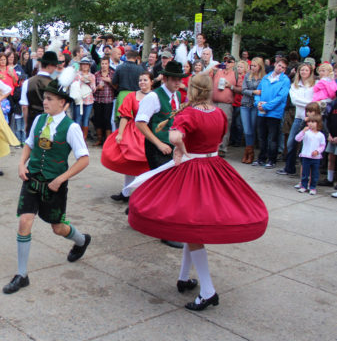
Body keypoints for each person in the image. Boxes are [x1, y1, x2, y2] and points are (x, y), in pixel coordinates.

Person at [127, 74, 268, 311]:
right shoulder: (219, 113)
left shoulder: (189, 113)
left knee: (191, 227)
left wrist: (180, 150)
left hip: (194, 171)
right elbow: (218, 136)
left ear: (192, 90)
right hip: (215, 168)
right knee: (188, 226)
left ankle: (208, 291)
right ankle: (184, 278)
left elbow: (174, 136)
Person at [2, 78, 91, 294]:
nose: (45, 102)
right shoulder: (40, 120)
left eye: (50, 99)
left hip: (54, 185)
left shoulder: (71, 128)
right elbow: (30, 144)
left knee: (58, 228)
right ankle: (22, 274)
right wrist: (22, 164)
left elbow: (84, 159)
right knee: (24, 221)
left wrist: (61, 178)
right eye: (45, 98)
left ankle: (81, 240)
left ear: (63, 103)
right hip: (32, 180)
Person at [135, 60, 184, 248]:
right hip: (157, 146)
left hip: (171, 146)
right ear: (165, 78)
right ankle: (166, 232)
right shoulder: (153, 97)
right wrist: (157, 143)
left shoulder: (177, 95)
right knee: (168, 187)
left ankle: (137, 208)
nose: (177, 82)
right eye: (174, 79)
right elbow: (140, 122)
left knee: (160, 185)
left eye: (179, 79)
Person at [102, 72, 152, 203]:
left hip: (149, 132)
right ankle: (126, 192)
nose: (142, 82)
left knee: (146, 164)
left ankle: (144, 194)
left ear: (151, 81)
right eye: (140, 80)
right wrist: (120, 133)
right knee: (129, 162)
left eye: (145, 80)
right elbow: (125, 115)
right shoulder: (132, 96)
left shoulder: (156, 96)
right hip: (134, 131)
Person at [276, 63, 315, 175]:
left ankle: (306, 172)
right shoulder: (294, 85)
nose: (304, 72)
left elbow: (316, 101)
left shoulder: (314, 85)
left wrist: (309, 104)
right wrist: (309, 103)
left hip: (311, 119)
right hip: (298, 118)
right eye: (302, 70)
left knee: (307, 145)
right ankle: (289, 168)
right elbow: (295, 101)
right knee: (291, 142)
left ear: (310, 72)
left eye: (306, 70)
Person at [254, 58, 290, 168]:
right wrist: (258, 103)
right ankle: (261, 158)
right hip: (262, 112)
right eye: (279, 65)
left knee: (272, 137)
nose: (280, 68)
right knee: (261, 136)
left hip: (274, 112)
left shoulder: (285, 80)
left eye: (283, 67)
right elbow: (258, 92)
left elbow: (281, 97)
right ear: (275, 64)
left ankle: (272, 159)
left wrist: (266, 106)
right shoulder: (266, 77)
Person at [20, 51, 59, 134]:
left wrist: (26, 123)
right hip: (49, 121)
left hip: (32, 120)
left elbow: (24, 107)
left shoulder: (27, 82)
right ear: (49, 66)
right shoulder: (54, 83)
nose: (56, 68)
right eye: (55, 66)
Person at [240, 57, 265, 164]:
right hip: (245, 104)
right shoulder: (247, 75)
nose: (253, 68)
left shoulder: (264, 77)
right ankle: (248, 151)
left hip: (255, 105)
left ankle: (251, 152)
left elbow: (263, 91)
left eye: (255, 66)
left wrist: (255, 92)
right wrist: (254, 92)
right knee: (247, 130)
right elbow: (243, 90)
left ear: (260, 66)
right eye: (252, 66)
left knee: (253, 128)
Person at [211, 56, 238, 158]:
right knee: (213, 125)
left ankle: (222, 148)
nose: (226, 63)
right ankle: (213, 146)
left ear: (233, 63)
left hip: (226, 104)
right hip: (214, 102)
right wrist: (215, 67)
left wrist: (230, 86)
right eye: (225, 61)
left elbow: (240, 89)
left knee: (225, 126)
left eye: (229, 61)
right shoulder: (217, 71)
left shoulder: (236, 74)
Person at [295, 115, 326, 195]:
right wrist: (303, 132)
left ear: (318, 124)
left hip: (316, 158)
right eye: (309, 122)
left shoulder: (320, 135)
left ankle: (312, 187)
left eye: (313, 122)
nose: (310, 124)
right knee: (305, 173)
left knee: (315, 174)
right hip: (306, 156)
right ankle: (303, 186)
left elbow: (322, 145)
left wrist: (317, 151)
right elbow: (297, 139)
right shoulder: (306, 133)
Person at [71, 56, 95, 140]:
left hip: (89, 100)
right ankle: (76, 138)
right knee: (77, 118)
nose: (85, 66)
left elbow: (94, 89)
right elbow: (74, 86)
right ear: (81, 65)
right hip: (78, 100)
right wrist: (82, 79)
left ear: (89, 66)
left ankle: (83, 138)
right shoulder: (76, 74)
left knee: (86, 119)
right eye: (83, 64)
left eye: (86, 64)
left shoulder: (92, 76)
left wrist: (90, 82)